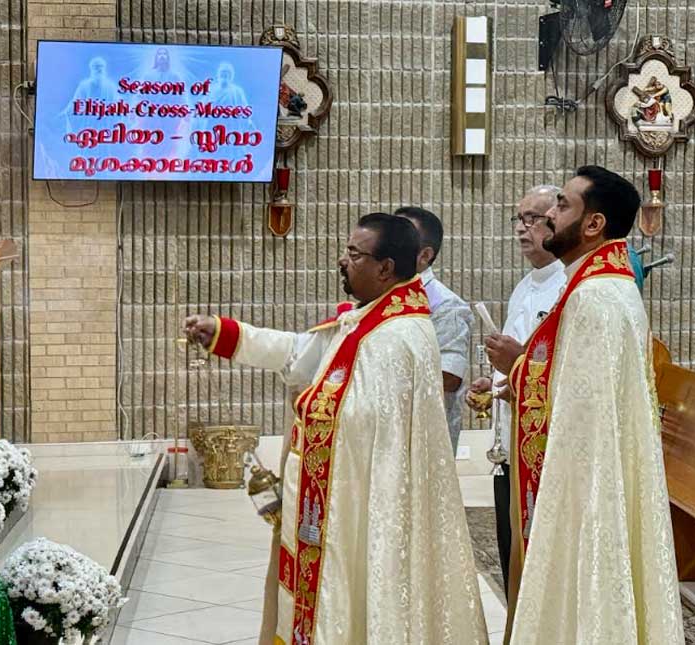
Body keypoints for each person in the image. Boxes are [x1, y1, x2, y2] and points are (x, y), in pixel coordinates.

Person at [184, 213, 487, 645]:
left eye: (354, 254)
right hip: (338, 494)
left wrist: (307, 402)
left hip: (361, 501)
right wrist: (228, 334)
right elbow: (299, 352)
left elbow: (365, 420)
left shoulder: (399, 335)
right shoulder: (366, 320)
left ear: (385, 268)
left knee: (353, 588)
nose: (342, 261)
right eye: (346, 251)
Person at [485, 166, 684, 644]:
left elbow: (584, 421)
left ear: (593, 224)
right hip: (586, 472)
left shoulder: (597, 297)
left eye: (562, 206)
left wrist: (518, 370)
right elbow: (573, 389)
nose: (549, 217)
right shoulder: (596, 285)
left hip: (587, 485)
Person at [464, 185, 564, 599]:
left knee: (541, 564)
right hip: (510, 446)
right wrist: (495, 383)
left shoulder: (567, 286)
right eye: (517, 219)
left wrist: (517, 365)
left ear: (558, 223)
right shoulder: (525, 285)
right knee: (512, 558)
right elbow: (518, 358)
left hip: (546, 448)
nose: (522, 229)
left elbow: (565, 368)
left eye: (532, 219)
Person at [396, 207, 473, 455]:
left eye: (398, 238)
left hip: (426, 445)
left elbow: (448, 378)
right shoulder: (382, 298)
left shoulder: (445, 304)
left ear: (425, 255)